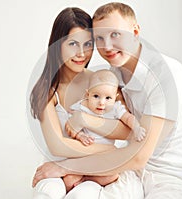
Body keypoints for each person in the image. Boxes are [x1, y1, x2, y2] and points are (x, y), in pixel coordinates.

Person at [33, 2, 182, 199]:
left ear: (135, 32)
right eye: (99, 38)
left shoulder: (166, 74)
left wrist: (64, 166)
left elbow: (138, 154)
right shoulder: (113, 74)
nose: (107, 46)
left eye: (115, 34)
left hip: (171, 176)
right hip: (129, 170)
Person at [30, 6, 143, 199]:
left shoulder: (101, 81)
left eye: (88, 44)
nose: (82, 53)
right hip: (58, 162)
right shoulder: (47, 90)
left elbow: (125, 130)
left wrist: (85, 120)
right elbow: (57, 146)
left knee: (84, 195)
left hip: (94, 169)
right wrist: (108, 149)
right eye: (73, 44)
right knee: (48, 193)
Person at [69, 69, 146, 146]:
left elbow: (128, 118)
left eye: (108, 98)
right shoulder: (80, 107)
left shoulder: (115, 108)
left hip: (107, 149)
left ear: (115, 98)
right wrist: (80, 136)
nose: (101, 103)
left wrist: (136, 128)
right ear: (87, 94)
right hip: (87, 148)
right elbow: (70, 125)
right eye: (96, 96)